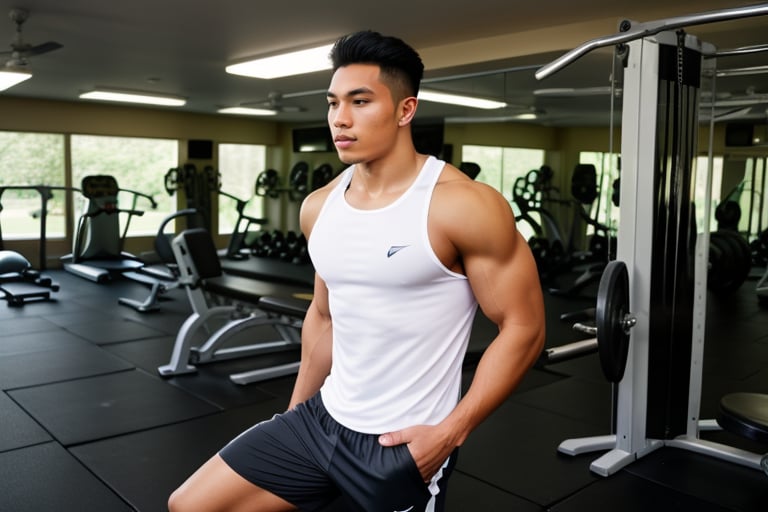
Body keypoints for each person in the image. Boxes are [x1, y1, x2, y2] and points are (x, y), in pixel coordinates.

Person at [168, 30, 545, 512]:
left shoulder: (463, 205)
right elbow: (323, 317)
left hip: (401, 441)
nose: (339, 119)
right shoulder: (318, 207)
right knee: (190, 505)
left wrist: (450, 433)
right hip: (320, 420)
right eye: (332, 103)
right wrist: (293, 415)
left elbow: (524, 327)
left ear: (405, 110)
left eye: (360, 101)